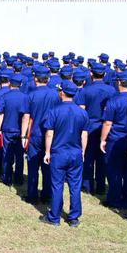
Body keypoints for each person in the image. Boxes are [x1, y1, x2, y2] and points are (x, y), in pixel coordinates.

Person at [40, 81, 89, 227]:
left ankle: (54, 217)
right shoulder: (82, 112)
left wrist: (47, 151)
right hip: (75, 152)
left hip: (59, 152)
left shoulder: (54, 111)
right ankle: (74, 217)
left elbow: (49, 133)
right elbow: (84, 135)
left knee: (57, 185)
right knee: (75, 185)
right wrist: (83, 152)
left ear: (62, 93)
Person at [100, 72, 127, 210]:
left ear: (119, 83)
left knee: (114, 170)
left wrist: (103, 139)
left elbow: (107, 123)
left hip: (116, 139)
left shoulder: (113, 101)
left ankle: (114, 199)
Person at [75, 63, 117, 195]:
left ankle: (87, 185)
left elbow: (81, 111)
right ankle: (100, 186)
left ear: (91, 74)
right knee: (102, 157)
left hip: (89, 126)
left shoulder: (85, 90)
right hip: (106, 125)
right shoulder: (112, 91)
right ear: (104, 75)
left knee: (88, 156)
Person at [23, 66, 60, 204]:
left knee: (33, 166)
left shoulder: (31, 95)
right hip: (50, 134)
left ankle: (32, 195)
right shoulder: (55, 95)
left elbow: (26, 116)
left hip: (35, 133)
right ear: (48, 79)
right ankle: (47, 194)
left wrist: (24, 135)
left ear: (35, 78)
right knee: (48, 165)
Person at [0, 74, 30, 186]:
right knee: (19, 155)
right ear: (20, 85)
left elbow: (1, 113)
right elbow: (26, 115)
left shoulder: (5, 96)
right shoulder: (25, 97)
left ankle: (7, 177)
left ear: (10, 83)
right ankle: (19, 178)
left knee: (7, 154)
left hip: (7, 129)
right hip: (20, 130)